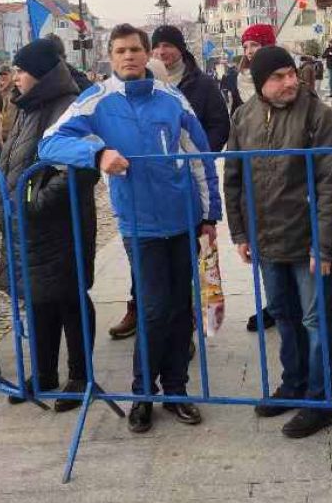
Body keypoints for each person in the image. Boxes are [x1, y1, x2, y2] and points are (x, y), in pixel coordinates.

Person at [40, 24, 221, 434]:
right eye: (121, 50)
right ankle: (143, 394)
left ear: (146, 54)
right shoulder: (96, 99)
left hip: (183, 218)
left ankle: (176, 391)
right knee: (153, 309)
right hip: (140, 224)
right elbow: (49, 143)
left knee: (180, 309)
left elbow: (200, 156)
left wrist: (210, 216)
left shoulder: (172, 98)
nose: (129, 57)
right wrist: (97, 153)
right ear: (111, 56)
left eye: (135, 49)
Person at [225, 45, 332, 438]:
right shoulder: (243, 116)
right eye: (278, 77)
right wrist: (240, 232)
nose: (290, 81)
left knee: (315, 319)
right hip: (265, 238)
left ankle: (320, 400)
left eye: (291, 73)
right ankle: (293, 383)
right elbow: (233, 178)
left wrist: (325, 246)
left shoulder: (317, 115)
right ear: (261, 83)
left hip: (307, 239)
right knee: (283, 314)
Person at [104, 25, 231, 342]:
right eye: (158, 46)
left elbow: (216, 126)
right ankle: (144, 329)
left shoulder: (198, 85)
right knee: (152, 291)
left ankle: (186, 334)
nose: (163, 52)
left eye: (168, 45)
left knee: (180, 283)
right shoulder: (113, 95)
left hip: (184, 193)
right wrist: (97, 155)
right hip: (142, 210)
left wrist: (192, 156)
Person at [0, 39, 99, 410]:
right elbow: (16, 160)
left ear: (40, 74)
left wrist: (34, 199)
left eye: (21, 71)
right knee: (38, 298)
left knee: (69, 298)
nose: (15, 77)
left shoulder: (68, 106)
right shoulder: (27, 107)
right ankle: (44, 373)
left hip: (59, 222)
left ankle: (80, 376)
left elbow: (82, 166)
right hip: (28, 222)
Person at [237, 23, 277, 107]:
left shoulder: (285, 76)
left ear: (267, 46)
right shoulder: (242, 79)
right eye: (245, 47)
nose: (249, 51)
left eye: (254, 45)